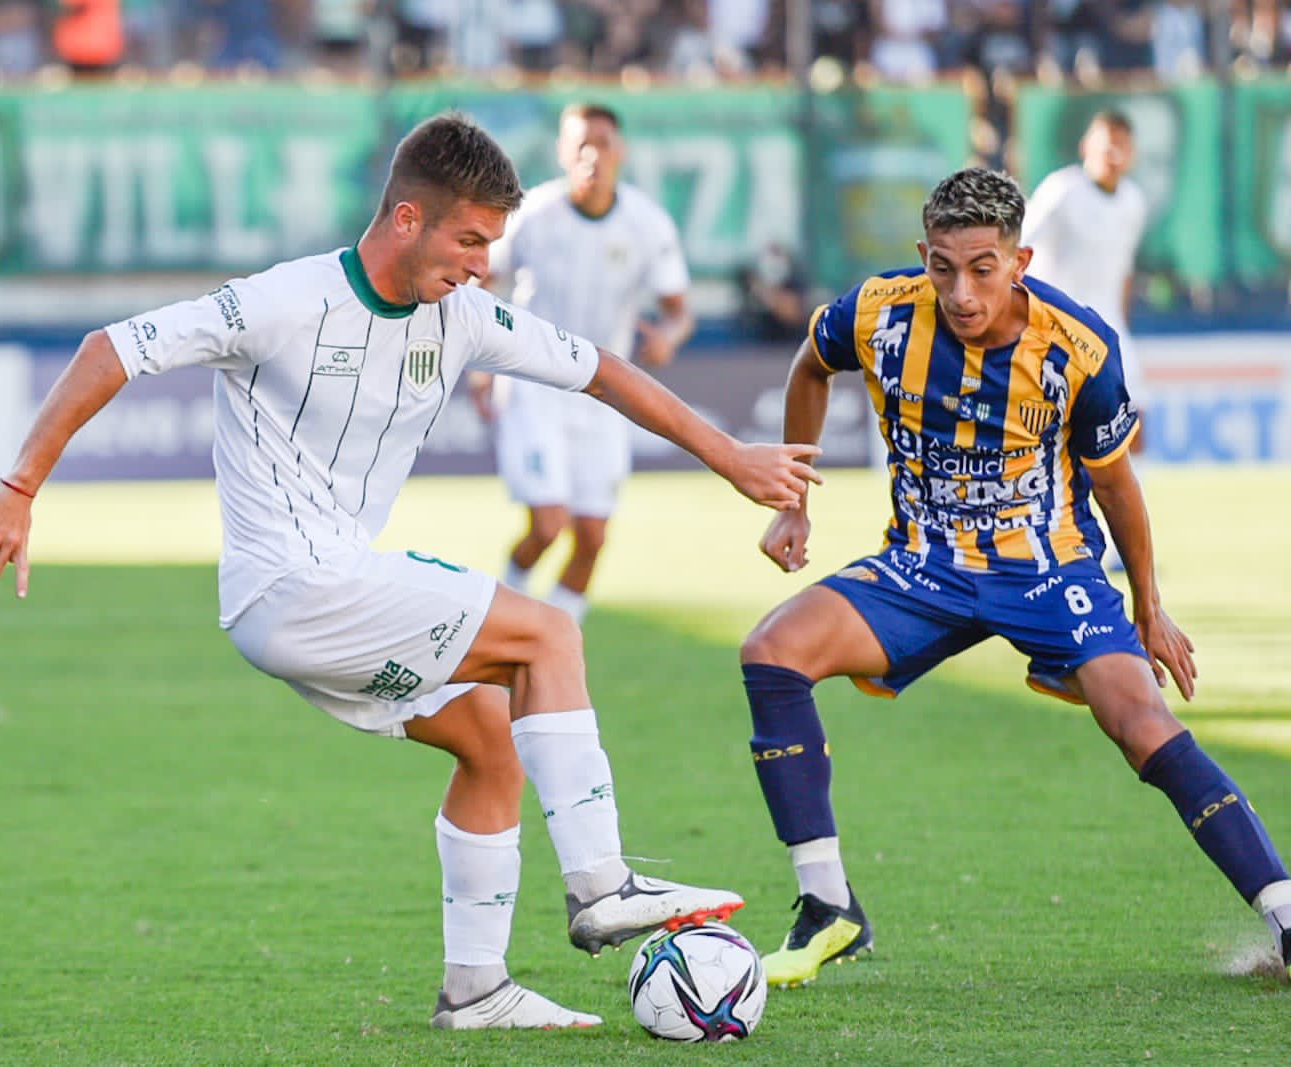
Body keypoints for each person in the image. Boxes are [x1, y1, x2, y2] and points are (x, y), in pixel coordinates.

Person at [0, 114, 823, 1029]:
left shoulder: (463, 316)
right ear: (407, 219)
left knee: (489, 736)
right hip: (296, 587)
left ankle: (476, 988)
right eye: (470, 239)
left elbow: (603, 370)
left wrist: (729, 456)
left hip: (318, 595)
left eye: (492, 242)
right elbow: (111, 349)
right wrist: (19, 486)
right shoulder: (285, 301)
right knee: (548, 631)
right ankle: (601, 884)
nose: (484, 263)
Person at [736, 167, 1291, 989]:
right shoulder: (882, 313)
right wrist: (794, 499)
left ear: (1020, 260)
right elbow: (810, 365)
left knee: (1140, 721)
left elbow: (1116, 486)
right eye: (943, 267)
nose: (961, 291)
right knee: (771, 653)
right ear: (924, 254)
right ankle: (829, 908)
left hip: (1049, 568)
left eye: (982, 269)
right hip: (922, 563)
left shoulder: (1078, 346)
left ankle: (1283, 909)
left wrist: (1150, 607)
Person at [470, 102, 695, 624]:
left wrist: (667, 338)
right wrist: (480, 368)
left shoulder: (648, 223)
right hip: (532, 383)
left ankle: (556, 636)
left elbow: (678, 312)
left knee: (592, 537)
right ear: (563, 152)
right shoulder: (532, 214)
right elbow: (484, 287)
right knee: (549, 525)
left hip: (604, 392)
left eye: (603, 143)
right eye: (581, 144)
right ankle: (505, 614)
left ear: (622, 151)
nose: (592, 154)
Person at [1022, 110, 1148, 448]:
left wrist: (1123, 322)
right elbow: (1018, 249)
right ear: (1085, 147)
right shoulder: (1061, 190)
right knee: (1054, 428)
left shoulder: (1134, 202)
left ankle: (1133, 499)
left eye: (1122, 146)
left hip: (1109, 325)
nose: (1115, 154)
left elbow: (1124, 271)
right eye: (1108, 145)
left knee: (1134, 421)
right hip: (1058, 325)